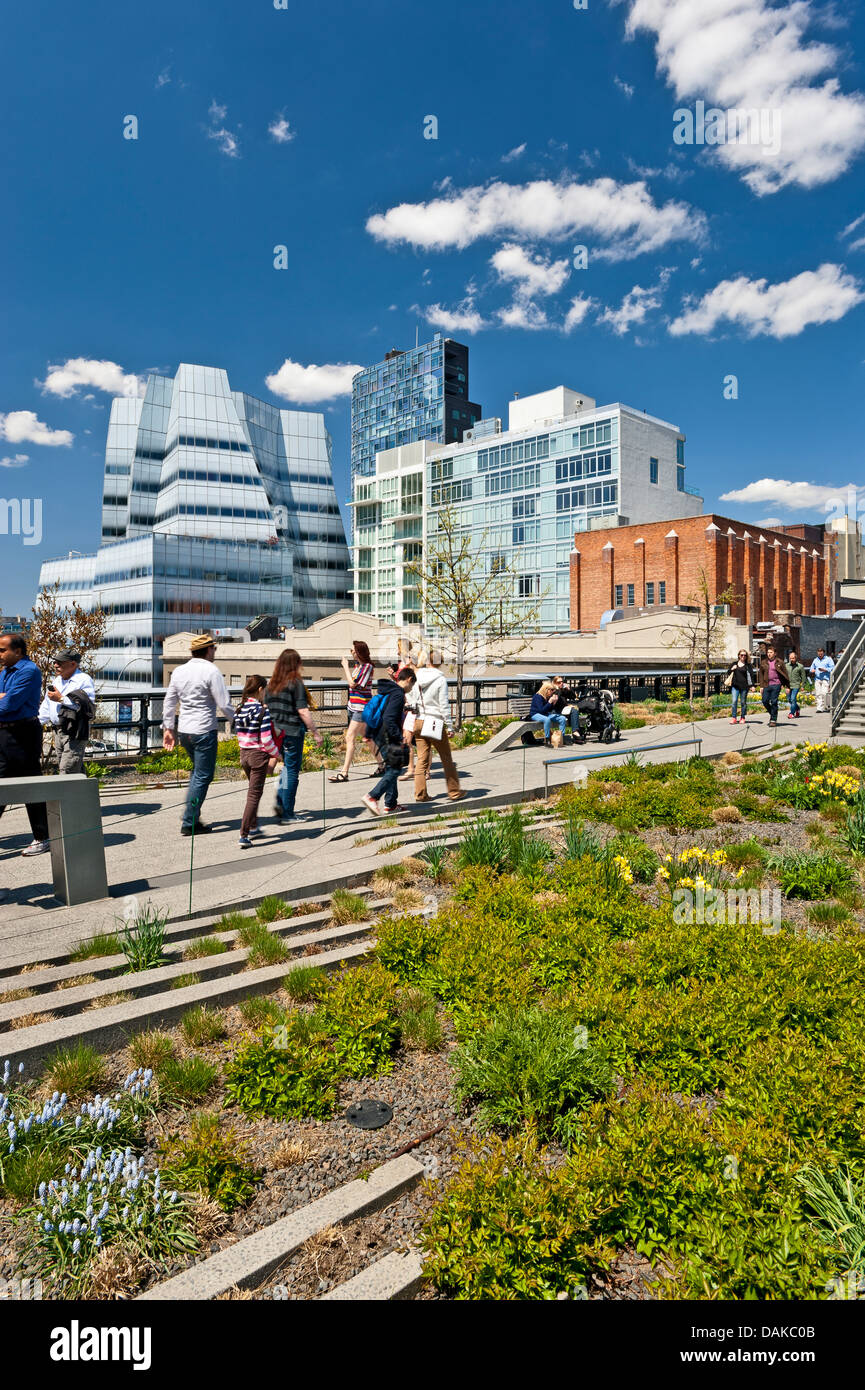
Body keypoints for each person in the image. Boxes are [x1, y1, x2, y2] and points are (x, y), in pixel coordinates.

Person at [162, 633, 235, 836]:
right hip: (204, 730)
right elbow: (224, 703)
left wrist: (169, 728)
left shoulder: (179, 671)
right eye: (214, 649)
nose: (215, 652)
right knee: (203, 775)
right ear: (208, 650)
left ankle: (192, 816)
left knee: (197, 773)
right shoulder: (211, 671)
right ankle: (190, 820)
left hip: (185, 731)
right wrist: (238, 722)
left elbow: (169, 701)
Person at [0, 634, 50, 856]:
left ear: (17, 651)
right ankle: (43, 836)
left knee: (31, 785)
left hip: (23, 733)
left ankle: (42, 837)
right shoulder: (5, 672)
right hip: (4, 732)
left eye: (2, 650)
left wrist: (4, 698)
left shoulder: (28, 671)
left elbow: (8, 704)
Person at [266, 649, 323, 823]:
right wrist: (315, 732)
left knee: (285, 768)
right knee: (291, 770)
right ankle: (288, 813)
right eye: (299, 662)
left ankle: (281, 805)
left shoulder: (271, 684)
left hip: (276, 733)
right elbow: (303, 711)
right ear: (294, 664)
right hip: (292, 732)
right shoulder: (295, 682)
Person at [361, 667, 417, 817]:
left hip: (379, 732)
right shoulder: (398, 694)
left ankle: (391, 804)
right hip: (387, 734)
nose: (410, 689)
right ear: (409, 679)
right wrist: (399, 737)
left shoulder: (389, 690)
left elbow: (381, 709)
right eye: (411, 686)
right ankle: (372, 796)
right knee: (395, 769)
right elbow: (389, 718)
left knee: (392, 766)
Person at [412, 649, 465, 803]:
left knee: (421, 759)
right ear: (440, 663)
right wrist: (449, 726)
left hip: (419, 720)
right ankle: (454, 792)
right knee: (446, 758)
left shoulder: (417, 676)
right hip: (434, 721)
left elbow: (412, 698)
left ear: (428, 661)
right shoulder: (440, 680)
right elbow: (443, 705)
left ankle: (420, 794)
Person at [234, 675, 280, 847]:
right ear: (260, 689)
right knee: (254, 795)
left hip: (244, 754)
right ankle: (244, 835)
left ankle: (253, 826)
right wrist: (277, 755)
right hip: (258, 756)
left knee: (253, 791)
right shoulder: (262, 711)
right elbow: (267, 740)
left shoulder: (240, 709)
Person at [39, 648, 97, 774]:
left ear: (73, 664)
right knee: (70, 768)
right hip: (58, 730)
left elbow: (86, 708)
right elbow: (47, 704)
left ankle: (68, 793)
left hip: (74, 731)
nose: (55, 665)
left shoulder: (84, 680)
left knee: (67, 770)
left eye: (60, 662)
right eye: (55, 662)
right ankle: (84, 792)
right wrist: (37, 722)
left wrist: (60, 699)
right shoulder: (57, 680)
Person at [329, 639, 375, 784]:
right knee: (367, 737)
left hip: (361, 709)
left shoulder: (367, 667)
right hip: (354, 707)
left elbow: (353, 684)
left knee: (350, 738)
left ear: (359, 652)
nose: (351, 653)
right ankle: (382, 765)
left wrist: (345, 668)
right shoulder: (359, 666)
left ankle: (344, 773)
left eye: (353, 651)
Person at [757, 644, 790, 728]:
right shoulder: (764, 662)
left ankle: (773, 720)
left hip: (777, 684)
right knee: (764, 701)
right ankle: (773, 714)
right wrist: (761, 686)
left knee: (774, 701)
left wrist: (788, 686)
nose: (769, 654)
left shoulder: (780, 662)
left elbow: (785, 674)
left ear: (775, 653)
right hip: (766, 685)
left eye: (771, 652)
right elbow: (760, 674)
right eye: (768, 652)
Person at [529, 681, 568, 746]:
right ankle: (547, 740)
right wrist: (550, 702)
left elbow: (548, 710)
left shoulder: (547, 697)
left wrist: (553, 703)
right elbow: (541, 710)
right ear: (546, 689)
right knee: (547, 720)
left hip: (544, 714)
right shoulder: (537, 696)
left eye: (553, 690)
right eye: (551, 690)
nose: (552, 692)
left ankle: (561, 738)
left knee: (562, 718)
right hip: (535, 714)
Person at [551, 675, 586, 742]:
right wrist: (558, 689)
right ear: (555, 683)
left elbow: (573, 697)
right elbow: (556, 700)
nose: (561, 683)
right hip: (555, 711)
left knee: (574, 710)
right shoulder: (552, 690)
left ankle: (575, 732)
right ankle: (563, 738)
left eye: (562, 682)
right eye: (559, 682)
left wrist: (569, 689)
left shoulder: (562, 690)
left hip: (563, 710)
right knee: (567, 716)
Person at [725, 650, 754, 724]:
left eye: (744, 655)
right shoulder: (734, 664)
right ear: (739, 655)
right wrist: (732, 669)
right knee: (734, 702)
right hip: (735, 686)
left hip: (744, 687)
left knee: (743, 703)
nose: (743, 656)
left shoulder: (748, 665)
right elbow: (728, 673)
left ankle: (742, 717)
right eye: (741, 655)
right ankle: (734, 718)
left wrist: (752, 686)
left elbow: (750, 676)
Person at [809, 648, 835, 714]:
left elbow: (833, 667)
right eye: (819, 653)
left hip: (825, 679)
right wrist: (812, 670)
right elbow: (811, 668)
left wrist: (825, 669)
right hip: (817, 679)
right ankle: (819, 708)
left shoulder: (828, 659)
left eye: (821, 653)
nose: (820, 655)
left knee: (824, 693)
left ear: (823, 653)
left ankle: (828, 705)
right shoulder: (815, 660)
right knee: (818, 694)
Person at [786, 650, 806, 720]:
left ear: (796, 658)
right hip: (788, 685)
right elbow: (785, 676)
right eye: (790, 658)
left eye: (793, 658)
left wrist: (803, 685)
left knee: (793, 699)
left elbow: (803, 677)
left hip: (796, 685)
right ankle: (797, 709)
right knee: (789, 700)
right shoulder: (787, 666)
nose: (792, 660)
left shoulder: (800, 666)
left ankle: (791, 713)